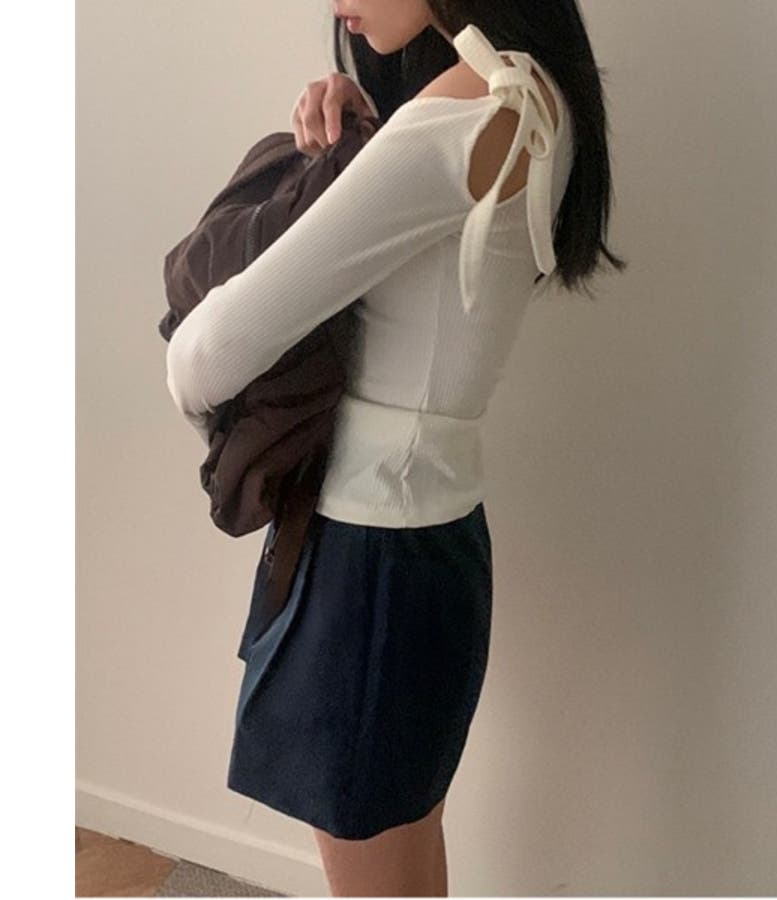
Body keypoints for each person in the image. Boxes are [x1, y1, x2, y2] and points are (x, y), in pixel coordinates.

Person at [166, 1, 625, 895]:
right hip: (433, 545)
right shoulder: (533, 96)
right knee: (408, 858)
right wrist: (369, 135)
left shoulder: (452, 126)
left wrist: (188, 382)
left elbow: (211, 353)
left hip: (363, 562)